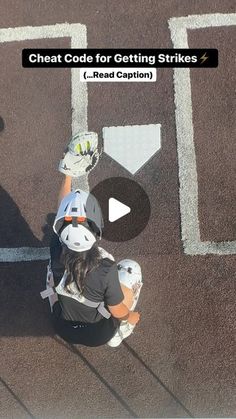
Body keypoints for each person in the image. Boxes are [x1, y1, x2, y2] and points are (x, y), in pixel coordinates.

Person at [41, 132, 142, 347]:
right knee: (130, 269)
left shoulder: (56, 247)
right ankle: (120, 333)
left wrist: (67, 175)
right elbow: (117, 310)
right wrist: (132, 318)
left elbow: (63, 210)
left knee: (54, 278)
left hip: (61, 325)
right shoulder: (105, 268)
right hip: (97, 334)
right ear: (96, 230)